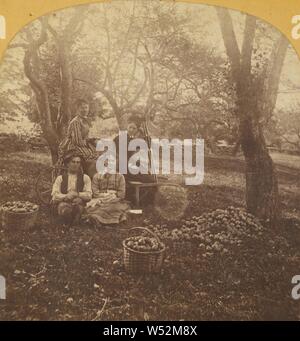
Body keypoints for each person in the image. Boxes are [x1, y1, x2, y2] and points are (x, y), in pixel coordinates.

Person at [58, 99, 97, 178]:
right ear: (77, 109)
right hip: (73, 147)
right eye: (82, 108)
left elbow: (85, 137)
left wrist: (93, 140)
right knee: (93, 161)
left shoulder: (84, 120)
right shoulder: (76, 121)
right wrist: (90, 142)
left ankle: (91, 178)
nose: (84, 110)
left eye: (86, 107)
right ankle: (88, 178)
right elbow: (77, 141)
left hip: (82, 145)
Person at [85, 156, 130, 226]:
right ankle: (97, 219)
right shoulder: (96, 176)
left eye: (112, 162)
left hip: (115, 200)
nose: (109, 165)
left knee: (115, 207)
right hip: (100, 200)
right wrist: (105, 195)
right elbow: (95, 193)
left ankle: (105, 220)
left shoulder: (120, 177)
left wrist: (114, 195)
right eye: (107, 163)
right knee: (94, 207)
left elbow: (122, 194)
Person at [51, 152, 92, 225]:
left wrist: (77, 194)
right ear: (67, 164)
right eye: (73, 162)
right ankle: (69, 220)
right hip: (64, 202)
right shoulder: (60, 178)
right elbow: (55, 195)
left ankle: (75, 219)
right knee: (64, 209)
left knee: (79, 208)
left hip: (79, 202)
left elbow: (89, 195)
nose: (75, 164)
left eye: (78, 162)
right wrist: (66, 196)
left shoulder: (85, 178)